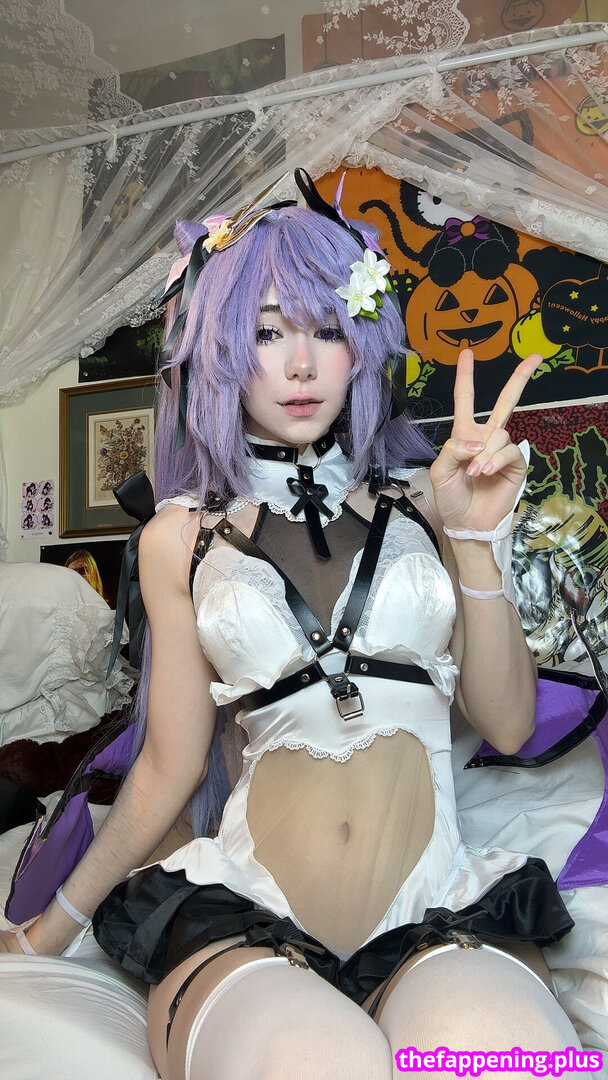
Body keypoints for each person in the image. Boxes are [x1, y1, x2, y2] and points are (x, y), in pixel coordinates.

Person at [0, 177, 588, 1079]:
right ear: (221, 353)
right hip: (247, 919)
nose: (302, 365)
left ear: (362, 345)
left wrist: (476, 542)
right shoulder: (178, 538)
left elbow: (507, 724)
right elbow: (167, 767)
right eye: (268, 333)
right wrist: (48, 931)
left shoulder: (434, 498)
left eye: (326, 329)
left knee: (509, 1058)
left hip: (438, 910)